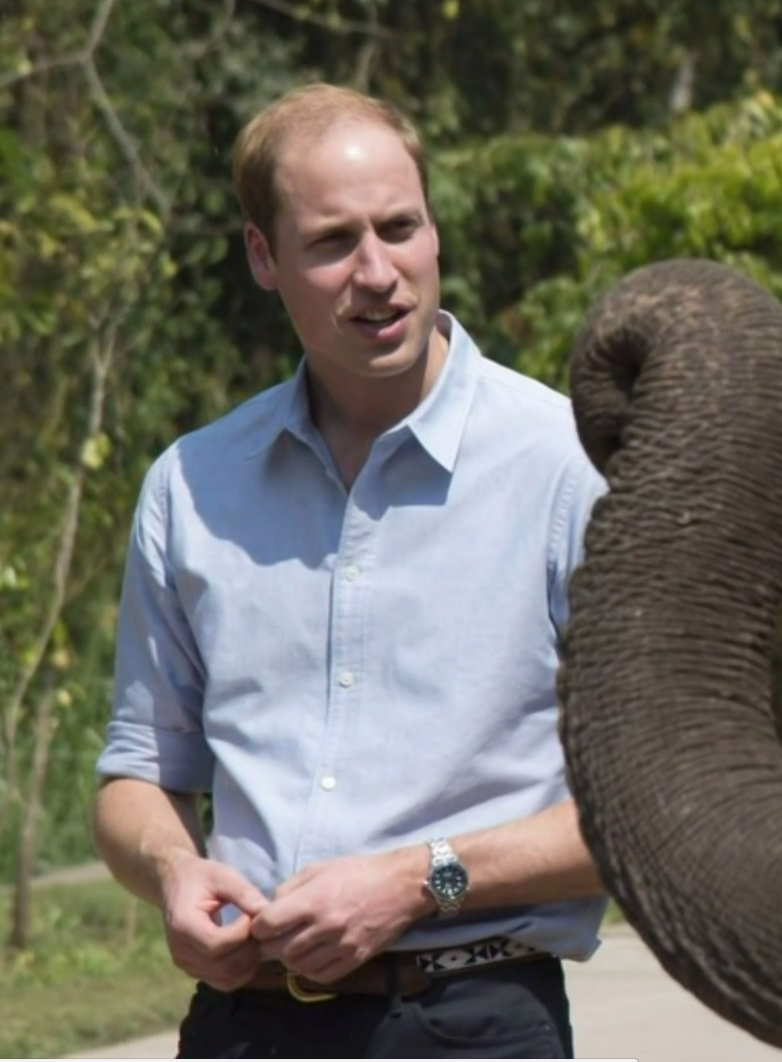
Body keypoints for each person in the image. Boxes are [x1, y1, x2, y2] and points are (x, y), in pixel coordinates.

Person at [91, 82, 611, 1057]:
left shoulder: (566, 468)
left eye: (400, 227)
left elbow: (642, 813)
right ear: (263, 257)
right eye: (332, 242)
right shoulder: (191, 485)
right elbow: (136, 777)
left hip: (476, 1022)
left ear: (435, 230)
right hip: (242, 1028)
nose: (379, 271)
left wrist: (422, 879)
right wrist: (171, 867)